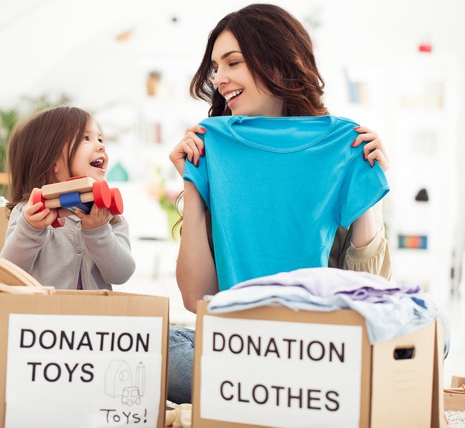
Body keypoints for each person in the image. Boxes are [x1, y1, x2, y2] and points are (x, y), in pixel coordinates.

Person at [166, 3, 391, 404]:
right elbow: (197, 298)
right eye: (216, 68)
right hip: (237, 345)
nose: (220, 79)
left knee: (430, 337)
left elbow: (371, 293)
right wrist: (194, 181)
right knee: (152, 348)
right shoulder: (212, 145)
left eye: (232, 62)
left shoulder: (344, 144)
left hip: (316, 345)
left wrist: (366, 188)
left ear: (277, 59)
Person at [0, 105, 136, 290]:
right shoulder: (30, 214)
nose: (101, 145)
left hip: (93, 317)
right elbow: (10, 272)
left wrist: (99, 231)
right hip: (43, 316)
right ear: (52, 160)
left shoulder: (109, 217)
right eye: (86, 138)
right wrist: (30, 230)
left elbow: (121, 274)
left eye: (100, 138)